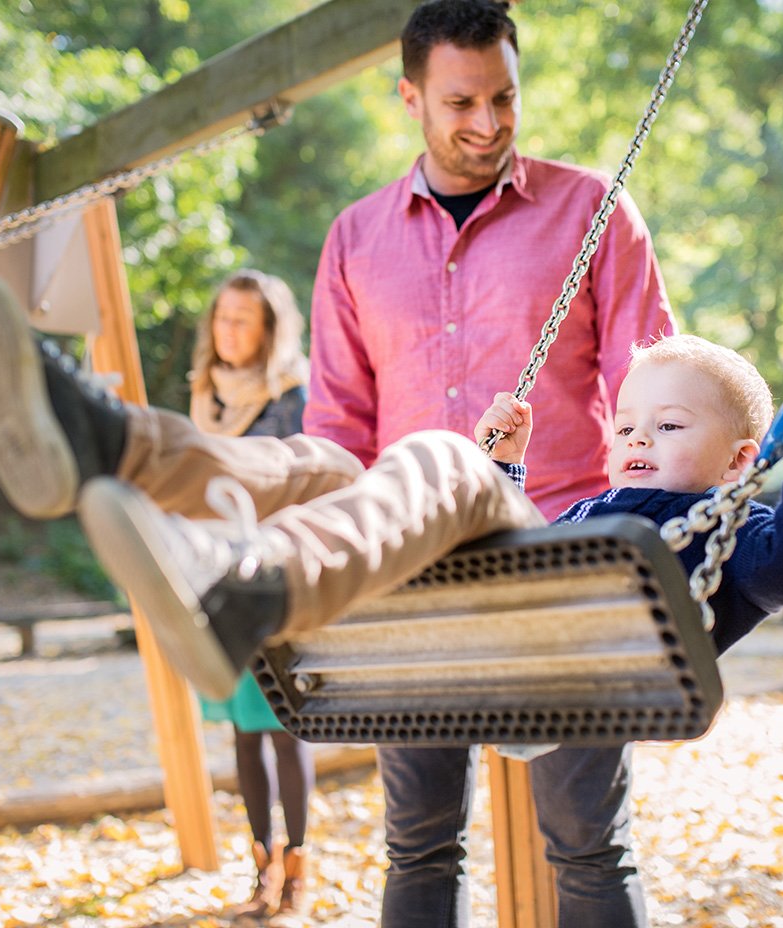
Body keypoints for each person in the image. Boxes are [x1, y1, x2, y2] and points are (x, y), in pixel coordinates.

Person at [0, 271, 783, 924]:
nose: (635, 440)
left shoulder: (731, 527)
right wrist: (508, 471)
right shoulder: (601, 500)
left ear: (743, 460)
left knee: (438, 456)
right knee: (331, 466)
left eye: (667, 425)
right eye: (624, 425)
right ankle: (120, 448)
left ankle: (249, 583)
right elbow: (525, 546)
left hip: (570, 649)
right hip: (489, 617)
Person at [302, 1, 675, 923]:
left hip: (561, 552)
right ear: (410, 98)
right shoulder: (355, 238)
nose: (487, 123)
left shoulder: (592, 210)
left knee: (590, 845)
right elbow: (340, 425)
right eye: (460, 101)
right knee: (418, 847)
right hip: (408, 567)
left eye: (503, 97)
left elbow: (653, 384)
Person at [187, 269, 313, 918]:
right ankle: (259, 867)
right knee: (242, 729)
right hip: (215, 579)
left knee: (287, 726)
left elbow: (294, 480)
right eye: (222, 316)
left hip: (274, 574)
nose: (229, 329)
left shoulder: (293, 392)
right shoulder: (204, 398)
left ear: (268, 330)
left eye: (243, 319)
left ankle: (297, 867)